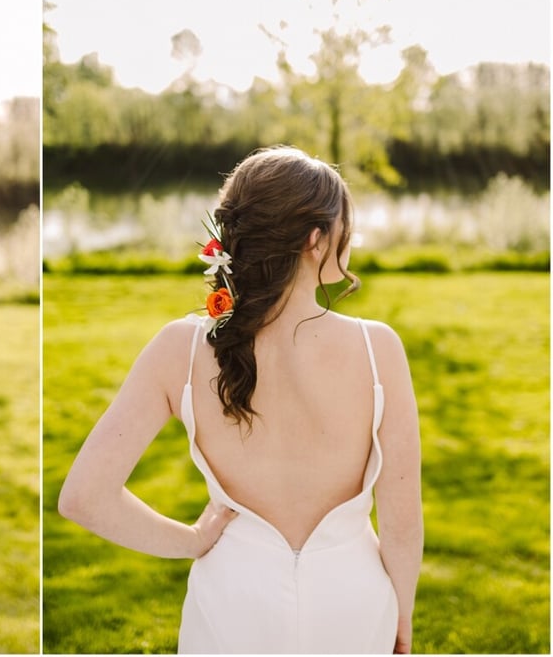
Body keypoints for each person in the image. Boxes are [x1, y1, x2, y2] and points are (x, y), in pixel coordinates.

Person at [59, 146, 423, 654]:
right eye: (346, 225)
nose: (352, 237)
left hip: (232, 608)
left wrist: (190, 541)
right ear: (315, 240)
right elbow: (403, 525)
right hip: (353, 604)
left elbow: (83, 497)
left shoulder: (178, 349)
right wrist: (400, 617)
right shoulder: (377, 347)